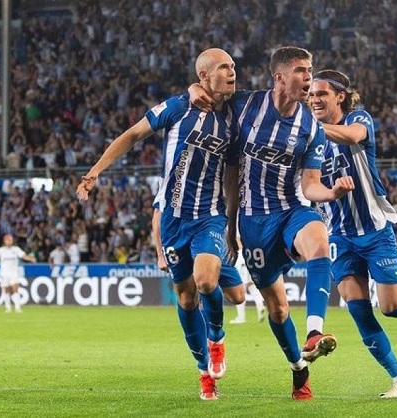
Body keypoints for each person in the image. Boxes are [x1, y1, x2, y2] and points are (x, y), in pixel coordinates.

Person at [77, 48, 245, 401]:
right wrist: (96, 170)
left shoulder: (235, 116)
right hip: (173, 219)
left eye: (233, 66)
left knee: (207, 281)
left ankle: (216, 338)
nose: (232, 72)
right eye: (223, 67)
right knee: (186, 298)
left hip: (209, 216)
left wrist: (232, 224)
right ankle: (204, 371)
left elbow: (232, 175)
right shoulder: (177, 107)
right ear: (203, 77)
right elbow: (132, 135)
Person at [190, 46, 355, 400]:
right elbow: (208, 91)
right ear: (279, 76)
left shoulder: (311, 128)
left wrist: (332, 193)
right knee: (278, 309)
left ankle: (315, 331)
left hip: (292, 209)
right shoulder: (246, 104)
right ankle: (299, 368)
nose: (308, 77)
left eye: (310, 70)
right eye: (301, 71)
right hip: (253, 224)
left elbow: (310, 186)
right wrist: (192, 89)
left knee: (319, 241)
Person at [308, 69, 397, 398]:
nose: (314, 100)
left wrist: (307, 127)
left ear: (339, 96)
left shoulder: (358, 119)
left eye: (321, 94)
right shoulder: (308, 140)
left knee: (392, 309)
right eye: (311, 95)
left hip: (374, 230)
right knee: (358, 309)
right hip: (339, 236)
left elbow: (353, 136)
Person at [0, 234, 36, 313]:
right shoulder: (1, 250)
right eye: (8, 240)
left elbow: (23, 256)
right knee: (6, 290)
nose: (9, 241)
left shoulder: (16, 249)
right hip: (4, 273)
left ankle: (17, 307)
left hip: (14, 272)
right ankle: (8, 307)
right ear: (5, 241)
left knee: (15, 289)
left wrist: (30, 259)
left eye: (11, 240)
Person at [229, 244, 267, 324]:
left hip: (240, 267)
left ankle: (241, 318)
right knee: (254, 289)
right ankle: (260, 306)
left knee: (240, 292)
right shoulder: (248, 250)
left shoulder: (237, 252)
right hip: (250, 265)